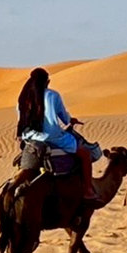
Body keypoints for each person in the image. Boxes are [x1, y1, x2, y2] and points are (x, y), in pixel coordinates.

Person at [16, 68, 98, 201]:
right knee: (85, 154)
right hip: (52, 138)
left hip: (31, 139)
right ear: (47, 81)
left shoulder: (24, 98)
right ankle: (88, 190)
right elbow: (64, 118)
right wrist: (71, 120)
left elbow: (21, 120)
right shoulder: (52, 95)